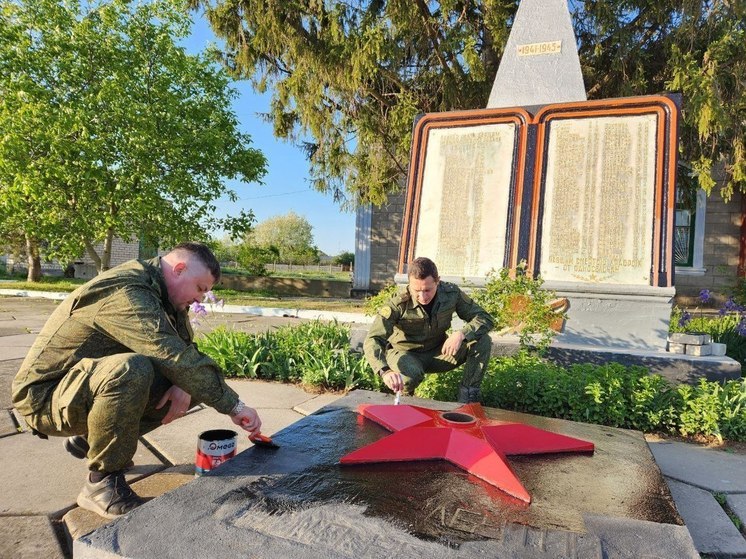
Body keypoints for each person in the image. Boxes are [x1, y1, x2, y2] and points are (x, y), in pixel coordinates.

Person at [12, 242, 262, 519]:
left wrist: (182, 385)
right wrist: (236, 407)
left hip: (82, 388)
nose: (201, 299)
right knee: (132, 369)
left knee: (194, 382)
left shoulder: (165, 297)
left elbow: (186, 354)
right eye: (200, 288)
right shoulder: (126, 289)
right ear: (179, 269)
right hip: (45, 397)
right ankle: (101, 483)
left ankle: (90, 437)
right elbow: (170, 354)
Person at [364, 257, 494, 403]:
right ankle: (404, 400)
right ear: (409, 284)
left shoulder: (451, 294)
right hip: (405, 354)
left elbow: (484, 318)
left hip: (439, 353)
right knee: (409, 377)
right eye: (417, 290)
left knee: (482, 341)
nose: (422, 296)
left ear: (438, 281)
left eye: (428, 290)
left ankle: (468, 399)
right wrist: (385, 371)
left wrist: (461, 334)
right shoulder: (398, 304)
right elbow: (373, 339)